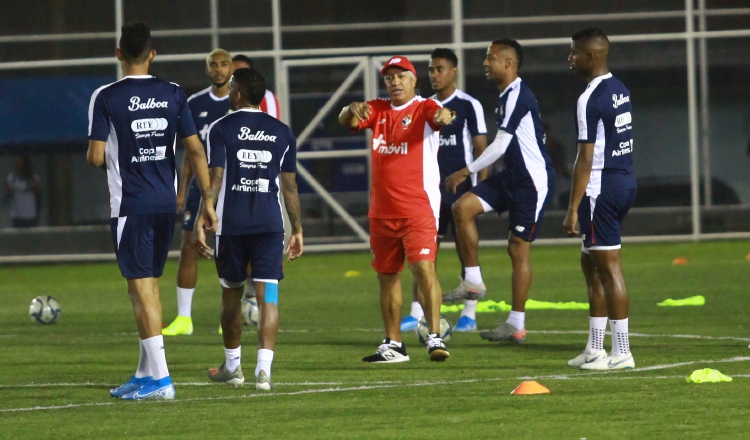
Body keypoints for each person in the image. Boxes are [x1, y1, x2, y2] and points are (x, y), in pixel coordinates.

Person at [87, 22, 217, 400]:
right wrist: (206, 200)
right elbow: (195, 150)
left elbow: (95, 158)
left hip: (131, 203)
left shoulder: (106, 96)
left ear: (118, 54)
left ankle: (161, 380)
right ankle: (145, 372)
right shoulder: (174, 93)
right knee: (144, 286)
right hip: (164, 202)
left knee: (141, 287)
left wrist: (110, 152)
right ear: (153, 54)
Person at [339, 55, 454, 362]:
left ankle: (433, 337)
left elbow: (440, 114)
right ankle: (393, 344)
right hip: (381, 210)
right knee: (387, 276)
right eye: (390, 77)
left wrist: (444, 116)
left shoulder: (423, 107)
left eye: (401, 76)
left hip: (418, 207)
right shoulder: (376, 109)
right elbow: (347, 121)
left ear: (414, 80)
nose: (395, 82)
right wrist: (350, 108)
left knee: (424, 269)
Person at [194, 68, 303, 390]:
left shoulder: (221, 127)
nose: (228, 92)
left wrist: (204, 216)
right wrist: (296, 228)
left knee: (231, 296)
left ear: (238, 93)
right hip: (270, 226)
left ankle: (233, 367)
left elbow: (214, 179)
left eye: (230, 87)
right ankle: (264, 372)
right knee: (268, 296)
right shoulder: (282, 132)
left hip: (232, 227)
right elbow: (290, 187)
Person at [445, 39, 555, 345]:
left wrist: (466, 170)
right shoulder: (505, 95)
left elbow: (501, 144)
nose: (485, 63)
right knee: (462, 208)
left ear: (508, 63)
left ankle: (516, 324)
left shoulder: (519, 94)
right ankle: (474, 281)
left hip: (531, 183)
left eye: (490, 58)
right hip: (511, 177)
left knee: (517, 248)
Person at [400, 48, 488, 333]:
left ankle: (470, 314)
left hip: (461, 192)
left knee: (466, 252)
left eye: (439, 69)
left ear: (454, 71)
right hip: (427, 191)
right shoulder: (423, 106)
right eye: (431, 70)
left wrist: (481, 190)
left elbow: (481, 150)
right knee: (423, 253)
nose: (434, 75)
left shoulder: (468, 105)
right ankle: (417, 312)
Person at [563, 28, 637, 370]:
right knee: (590, 265)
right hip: (623, 181)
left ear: (590, 57)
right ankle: (595, 347)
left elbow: (586, 158)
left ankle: (621, 352)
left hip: (600, 189)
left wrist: (573, 208)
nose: (570, 58)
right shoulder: (619, 88)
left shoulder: (589, 97)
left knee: (608, 268)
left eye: (575, 52)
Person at [162, 48, 234, 337]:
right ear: (207, 70)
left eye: (224, 64)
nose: (218, 69)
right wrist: (181, 191)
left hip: (231, 187)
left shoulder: (240, 101)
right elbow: (191, 152)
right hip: (199, 189)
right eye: (213, 65)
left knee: (231, 250)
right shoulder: (194, 103)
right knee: (189, 245)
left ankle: (228, 316)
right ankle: (183, 318)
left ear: (232, 68)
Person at [233, 54, 284, 303]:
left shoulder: (269, 102)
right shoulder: (226, 113)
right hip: (237, 192)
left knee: (260, 241)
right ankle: (254, 294)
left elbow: (271, 131)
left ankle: (257, 291)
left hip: (262, 183)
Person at [232, 55, 280, 120]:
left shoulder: (266, 97)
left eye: (244, 72)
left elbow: (273, 127)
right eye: (235, 71)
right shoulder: (221, 97)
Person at [5, 155, 42, 228]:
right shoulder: (12, 177)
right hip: (16, 215)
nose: (17, 165)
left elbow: (39, 192)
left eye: (20, 163)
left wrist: (35, 186)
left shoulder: (34, 177)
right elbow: (9, 194)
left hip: (30, 214)